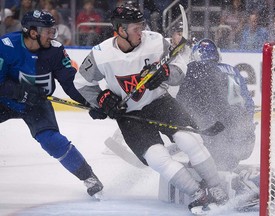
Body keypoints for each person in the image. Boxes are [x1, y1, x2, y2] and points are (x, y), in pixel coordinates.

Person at [74, 5, 228, 214]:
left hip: (160, 103)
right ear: (120, 30)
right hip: (129, 115)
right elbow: (82, 82)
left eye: (142, 26)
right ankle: (198, 194)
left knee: (190, 140)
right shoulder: (101, 54)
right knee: (156, 158)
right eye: (136, 28)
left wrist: (166, 72)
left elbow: (180, 66)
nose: (141, 31)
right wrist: (102, 99)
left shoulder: (155, 41)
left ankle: (216, 187)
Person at [0, 10, 104, 198]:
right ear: (33, 32)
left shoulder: (55, 50)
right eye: (48, 31)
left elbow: (70, 83)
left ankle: (89, 177)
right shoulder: (6, 46)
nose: (53, 35)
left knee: (52, 141)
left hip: (36, 104)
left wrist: (94, 102)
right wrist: (19, 92)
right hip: (5, 101)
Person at [176, 38, 256, 172]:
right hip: (245, 138)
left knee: (204, 149)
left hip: (220, 137)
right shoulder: (233, 70)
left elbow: (185, 103)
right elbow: (248, 103)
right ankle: (227, 164)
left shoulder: (197, 71)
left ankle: (214, 171)